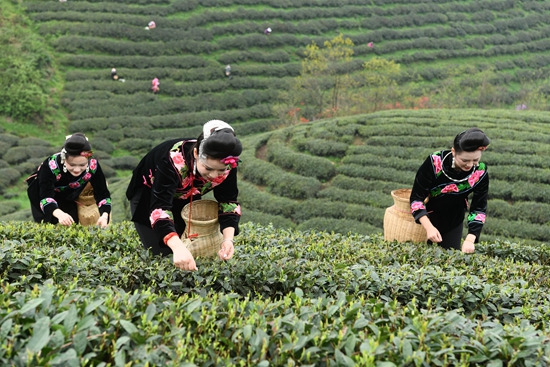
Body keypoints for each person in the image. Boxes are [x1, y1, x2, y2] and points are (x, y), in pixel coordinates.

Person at [126, 120, 243, 271]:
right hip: (149, 194)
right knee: (163, 253)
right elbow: (160, 208)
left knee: (189, 246)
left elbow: (228, 201)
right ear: (196, 153)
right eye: (208, 168)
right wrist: (177, 247)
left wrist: (228, 240)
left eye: (220, 170)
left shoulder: (227, 166)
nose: (214, 176)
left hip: (188, 194)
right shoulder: (172, 161)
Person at [410, 128, 490, 253]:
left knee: (449, 257)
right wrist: (429, 227)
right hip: (425, 218)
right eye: (465, 160)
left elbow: (479, 207)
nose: (470, 165)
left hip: (453, 219)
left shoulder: (480, 171)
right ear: (453, 152)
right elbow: (416, 198)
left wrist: (470, 238)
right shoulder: (434, 161)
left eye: (475, 160)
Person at [26, 133, 112, 228]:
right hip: (42, 194)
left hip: (69, 195)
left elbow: (103, 194)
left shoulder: (93, 166)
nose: (77, 170)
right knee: (46, 225)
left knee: (72, 224)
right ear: (64, 159)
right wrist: (58, 213)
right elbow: (45, 197)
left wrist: (104, 215)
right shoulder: (51, 165)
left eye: (82, 165)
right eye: (72, 165)